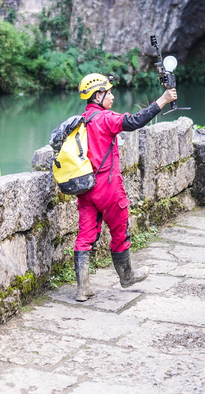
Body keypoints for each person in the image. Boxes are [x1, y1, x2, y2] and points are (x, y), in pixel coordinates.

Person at [73, 73, 178, 302]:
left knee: (85, 236)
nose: (112, 96)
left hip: (85, 187)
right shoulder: (105, 118)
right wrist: (162, 100)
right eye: (108, 92)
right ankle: (127, 276)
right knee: (119, 232)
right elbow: (133, 122)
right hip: (108, 187)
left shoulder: (81, 119)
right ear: (97, 95)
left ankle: (83, 289)